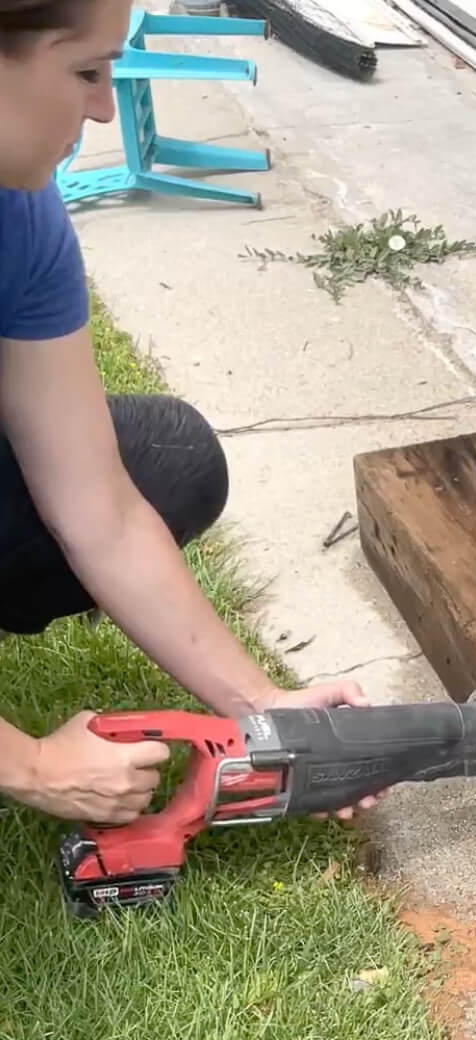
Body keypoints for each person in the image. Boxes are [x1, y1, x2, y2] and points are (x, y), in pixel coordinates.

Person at [0, 0, 373, 829]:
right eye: (86, 72)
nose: (105, 107)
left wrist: (264, 708)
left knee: (170, 462)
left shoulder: (22, 218)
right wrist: (30, 764)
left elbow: (97, 505)